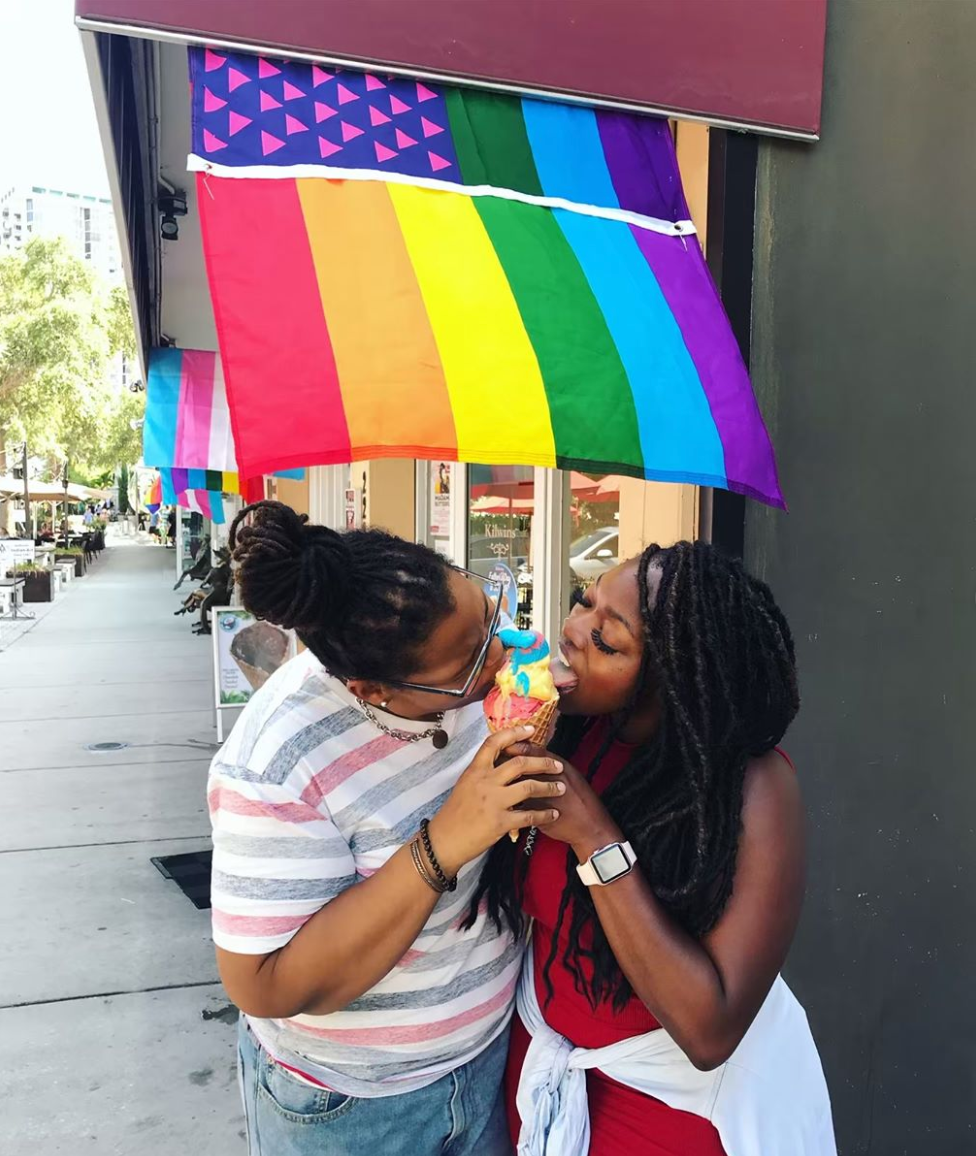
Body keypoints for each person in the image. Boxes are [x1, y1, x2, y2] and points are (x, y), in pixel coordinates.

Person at [208, 501, 564, 1156]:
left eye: (490, 618)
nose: (496, 655)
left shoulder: (471, 665)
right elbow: (262, 983)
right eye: (469, 661)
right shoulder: (275, 760)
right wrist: (445, 841)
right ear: (373, 691)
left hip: (493, 1056)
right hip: (348, 1107)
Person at [474, 542, 834, 1155]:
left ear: (674, 678)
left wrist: (595, 838)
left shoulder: (754, 788)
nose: (574, 631)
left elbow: (708, 1030)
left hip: (667, 1114)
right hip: (540, 1084)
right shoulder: (568, 728)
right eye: (583, 602)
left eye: (607, 641)